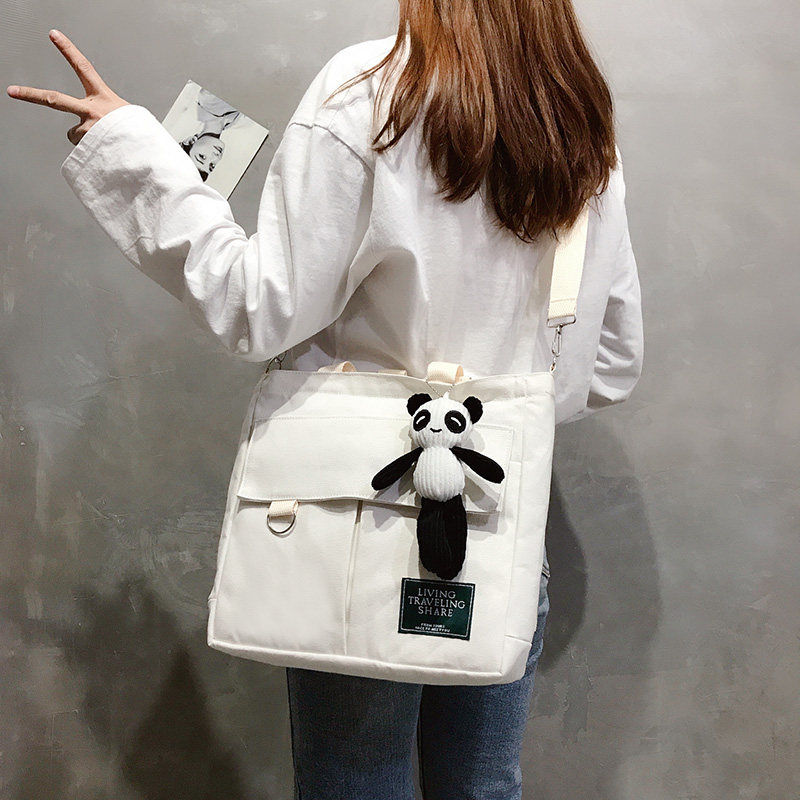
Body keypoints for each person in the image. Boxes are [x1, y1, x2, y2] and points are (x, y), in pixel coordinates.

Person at [7, 2, 643, 795]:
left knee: (356, 780)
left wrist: (134, 153)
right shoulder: (580, 127)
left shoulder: (371, 91)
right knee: (481, 788)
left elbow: (256, 307)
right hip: (502, 530)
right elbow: (611, 362)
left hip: (361, 525)